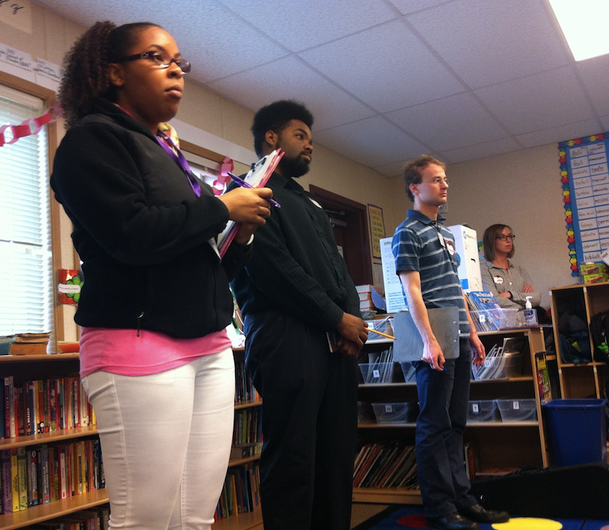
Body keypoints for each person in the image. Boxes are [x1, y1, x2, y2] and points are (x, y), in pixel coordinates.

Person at [50, 20, 273, 530]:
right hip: (138, 341)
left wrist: (241, 231)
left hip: (209, 343)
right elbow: (132, 234)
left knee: (193, 518)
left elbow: (195, 250)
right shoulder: (90, 141)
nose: (176, 69)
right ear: (113, 72)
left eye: (180, 62)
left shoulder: (168, 153)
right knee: (147, 520)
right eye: (156, 57)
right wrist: (221, 208)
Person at [230, 100, 369, 530]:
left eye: (311, 138)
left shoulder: (308, 203)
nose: (310, 146)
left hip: (333, 342)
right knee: (294, 460)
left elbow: (337, 268)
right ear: (271, 138)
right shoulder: (251, 191)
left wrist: (351, 318)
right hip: (285, 336)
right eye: (299, 136)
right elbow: (274, 270)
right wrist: (336, 318)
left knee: (335, 454)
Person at [392, 155, 509, 530]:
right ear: (415, 187)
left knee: (456, 422)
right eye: (436, 180)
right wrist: (428, 340)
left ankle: (462, 499)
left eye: (445, 179)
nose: (445, 185)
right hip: (433, 337)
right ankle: (440, 508)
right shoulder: (406, 233)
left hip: (457, 332)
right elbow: (412, 291)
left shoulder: (443, 233)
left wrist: (472, 331)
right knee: (434, 422)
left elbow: (456, 291)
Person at [481, 224, 545, 321]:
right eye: (502, 237)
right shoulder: (485, 270)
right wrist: (525, 303)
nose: (508, 240)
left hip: (528, 324)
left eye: (510, 236)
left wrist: (510, 294)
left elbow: (537, 298)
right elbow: (494, 301)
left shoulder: (519, 270)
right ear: (491, 241)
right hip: (503, 325)